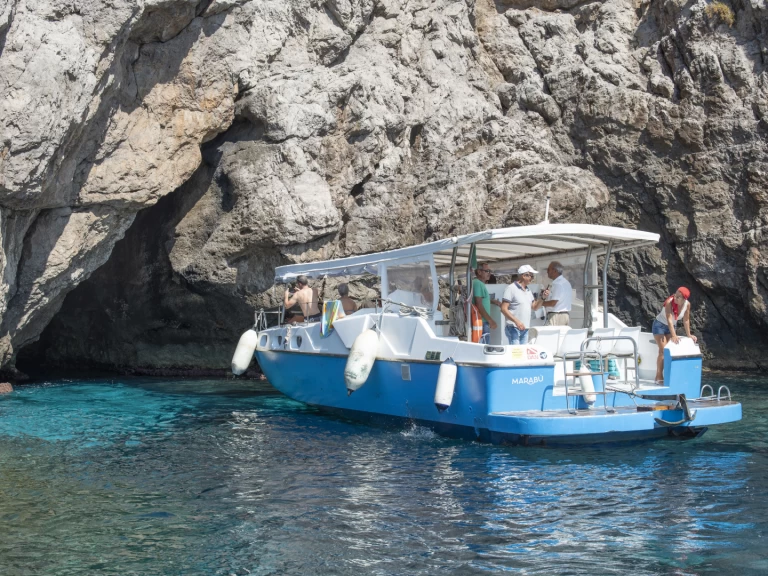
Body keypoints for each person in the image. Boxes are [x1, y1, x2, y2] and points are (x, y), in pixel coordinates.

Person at [652, 287, 697, 383]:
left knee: (670, 352)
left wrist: (689, 335)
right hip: (659, 325)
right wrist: (674, 335)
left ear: (684, 299)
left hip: (671, 326)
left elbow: (686, 319)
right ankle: (659, 376)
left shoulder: (687, 305)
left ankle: (669, 375)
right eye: (675, 295)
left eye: (678, 297)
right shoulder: (669, 302)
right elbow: (669, 319)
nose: (675, 298)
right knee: (663, 351)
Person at [501, 265, 546, 345]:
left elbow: (535, 307)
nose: (532, 278)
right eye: (531, 276)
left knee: (520, 354)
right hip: (513, 327)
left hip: (525, 328)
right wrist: (517, 321)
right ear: (523, 275)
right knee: (516, 354)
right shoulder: (510, 288)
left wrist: (543, 298)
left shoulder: (528, 290)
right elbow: (504, 309)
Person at [473, 262, 501, 342]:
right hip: (482, 322)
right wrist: (490, 320)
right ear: (479, 272)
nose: (489, 273)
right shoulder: (478, 284)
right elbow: (479, 304)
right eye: (487, 271)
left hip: (481, 321)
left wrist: (492, 301)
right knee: (484, 347)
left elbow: (480, 300)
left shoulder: (478, 283)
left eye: (490, 271)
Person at [540, 261, 572, 326]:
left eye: (548, 269)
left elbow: (553, 303)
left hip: (556, 316)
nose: (547, 272)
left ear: (554, 271)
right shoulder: (565, 282)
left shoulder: (557, 284)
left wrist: (539, 303)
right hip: (565, 315)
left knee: (552, 336)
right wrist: (549, 295)